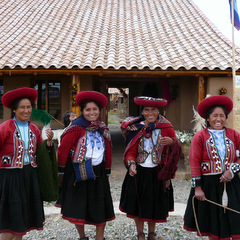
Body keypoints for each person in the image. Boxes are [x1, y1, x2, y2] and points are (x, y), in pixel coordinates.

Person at [119, 96, 181, 240]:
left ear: (159, 111)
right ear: (143, 112)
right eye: (147, 110)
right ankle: (140, 233)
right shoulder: (136, 128)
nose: (150, 113)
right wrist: (131, 163)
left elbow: (176, 146)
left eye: (153, 109)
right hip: (139, 171)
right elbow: (131, 151)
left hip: (158, 172)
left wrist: (172, 142)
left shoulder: (166, 127)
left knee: (155, 204)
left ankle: (151, 233)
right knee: (137, 204)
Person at [57, 91, 115, 240]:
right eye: (87, 110)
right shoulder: (75, 128)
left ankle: (99, 237)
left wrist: (107, 170)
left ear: (99, 111)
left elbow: (108, 150)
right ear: (82, 111)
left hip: (98, 172)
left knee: (100, 205)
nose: (91, 112)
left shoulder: (102, 128)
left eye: (94, 109)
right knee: (79, 206)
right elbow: (63, 150)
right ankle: (82, 236)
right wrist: (61, 173)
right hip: (78, 172)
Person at [0, 87, 54, 240]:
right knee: (12, 221)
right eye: (22, 107)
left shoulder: (34, 129)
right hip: (10, 177)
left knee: (23, 219)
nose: (26, 110)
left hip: (29, 175)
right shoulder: (5, 129)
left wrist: (49, 143)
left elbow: (41, 153)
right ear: (14, 110)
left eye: (29, 107)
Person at [183, 95, 240, 240]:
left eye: (222, 115)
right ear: (208, 118)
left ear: (226, 117)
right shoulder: (200, 136)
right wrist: (197, 188)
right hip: (208, 186)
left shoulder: (234, 135)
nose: (218, 119)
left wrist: (232, 171)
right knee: (213, 223)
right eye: (214, 115)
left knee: (233, 221)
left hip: (231, 184)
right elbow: (194, 161)